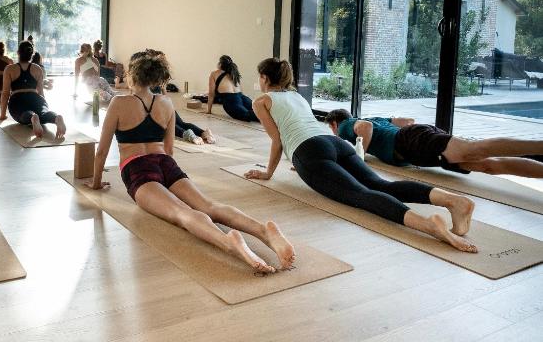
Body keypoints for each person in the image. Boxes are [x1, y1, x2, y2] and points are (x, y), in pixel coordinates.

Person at [87, 49, 295, 273]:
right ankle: (264, 231)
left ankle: (229, 242)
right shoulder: (166, 103)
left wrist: (97, 182)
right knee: (209, 206)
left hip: (138, 169)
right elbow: (168, 150)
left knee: (181, 213)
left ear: (132, 75)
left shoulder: (119, 103)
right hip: (166, 164)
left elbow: (102, 151)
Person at [246, 57, 478, 253]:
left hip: (309, 151)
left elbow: (278, 139)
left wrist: (268, 172)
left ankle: (429, 226)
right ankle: (453, 200)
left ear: (264, 78)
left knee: (360, 195)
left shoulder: (262, 101)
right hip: (336, 144)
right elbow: (301, 126)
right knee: (381, 184)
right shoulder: (297, 96)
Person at [325, 109, 543, 178]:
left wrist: (361, 158)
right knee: (488, 165)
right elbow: (406, 121)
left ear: (334, 123)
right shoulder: (377, 118)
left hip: (411, 142)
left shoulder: (345, 126)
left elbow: (365, 128)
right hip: (415, 143)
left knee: (476, 149)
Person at [0, 40, 66, 140]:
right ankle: (56, 118)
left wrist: (2, 115)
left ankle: (32, 118)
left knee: (23, 114)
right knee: (43, 115)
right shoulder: (37, 68)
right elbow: (41, 93)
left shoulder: (10, 69)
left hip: (17, 100)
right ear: (32, 54)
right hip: (35, 98)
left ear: (18, 53)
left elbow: (5, 93)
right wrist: (43, 106)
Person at [151, 85, 215, 144]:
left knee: (169, 124)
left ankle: (188, 134)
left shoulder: (145, 83)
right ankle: (202, 132)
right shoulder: (157, 81)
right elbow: (166, 98)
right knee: (181, 123)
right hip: (165, 106)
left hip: (158, 108)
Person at [207, 55, 258, 122]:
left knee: (248, 116)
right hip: (242, 97)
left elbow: (211, 94)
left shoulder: (214, 73)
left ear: (220, 64)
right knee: (259, 111)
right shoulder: (233, 72)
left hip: (231, 100)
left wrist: (208, 111)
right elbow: (240, 89)